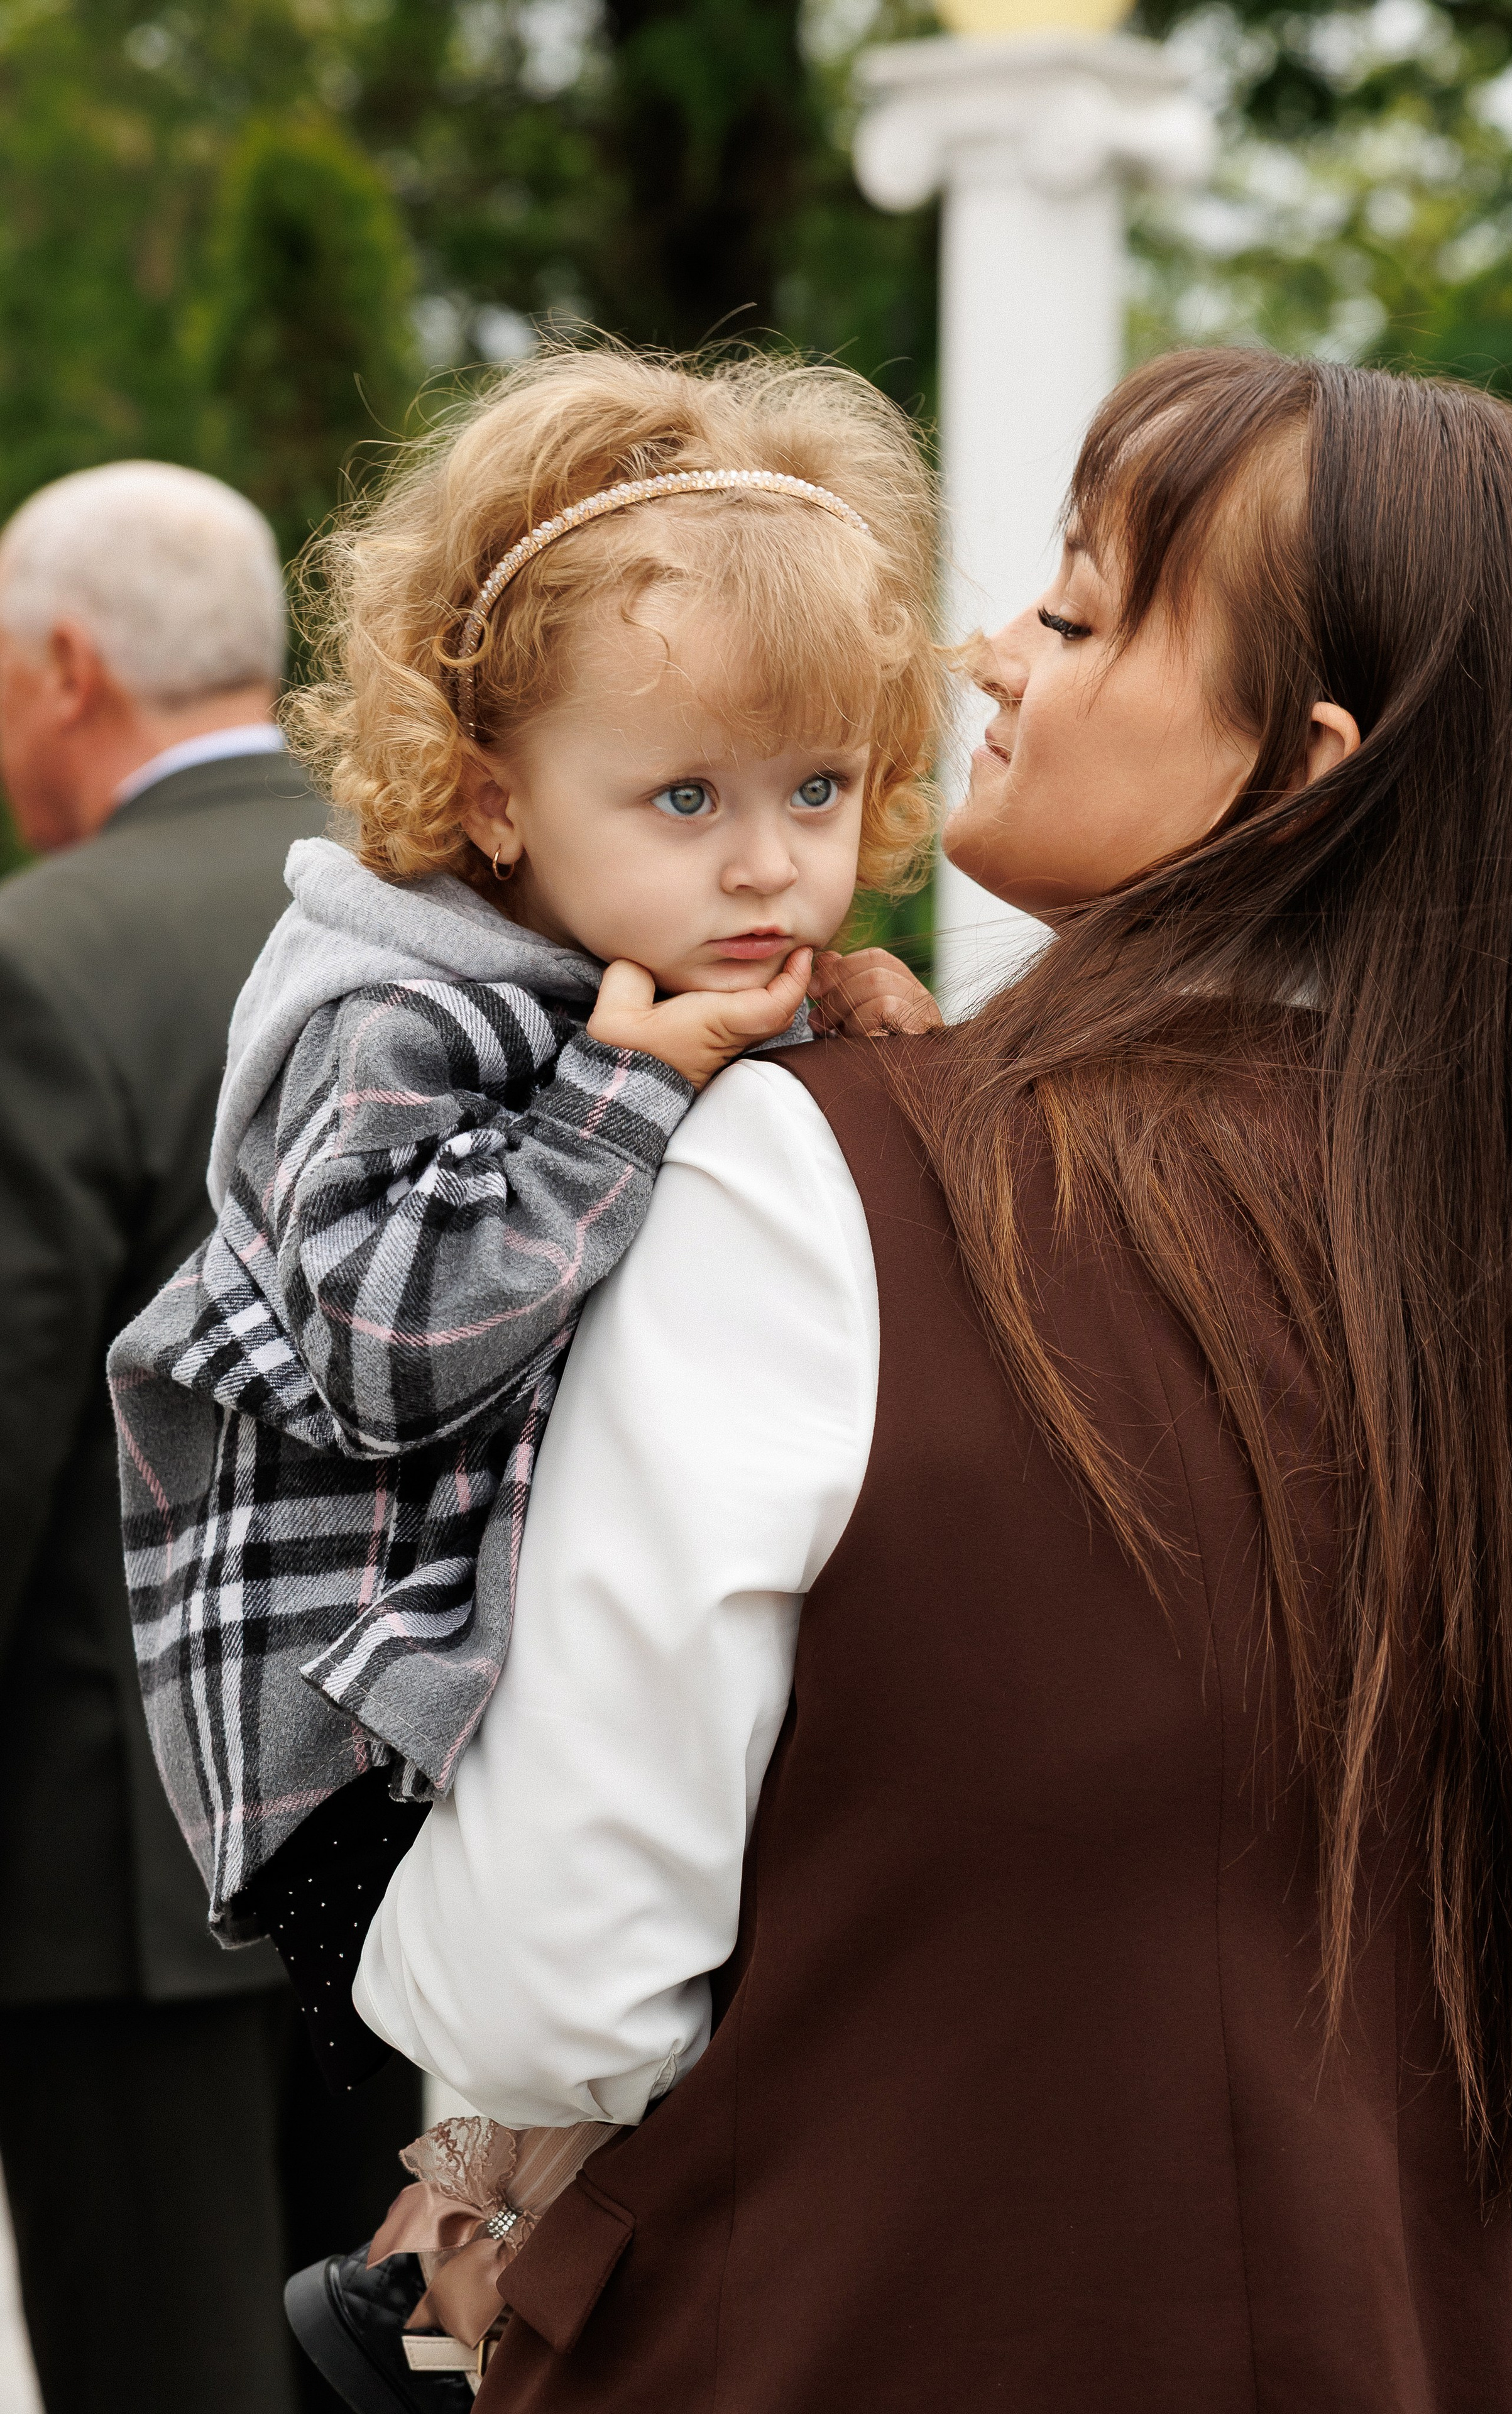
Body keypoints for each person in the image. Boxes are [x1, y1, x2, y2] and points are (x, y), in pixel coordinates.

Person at [354, 348, 1512, 2413]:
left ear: (1297, 771)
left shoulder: (816, 1174)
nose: (987, 652)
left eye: (1089, 610)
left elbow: (555, 1969)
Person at [107, 353, 941, 2405]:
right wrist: (626, 1094)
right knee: (578, 2019)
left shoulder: (634, 946)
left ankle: (429, 2271)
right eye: (687, 800)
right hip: (339, 1703)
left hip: (461, 1648)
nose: (767, 870)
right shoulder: (380, 1002)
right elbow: (396, 1354)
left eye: (814, 794)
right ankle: (435, 2284)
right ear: (490, 794)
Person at [0, 461, 422, 2414]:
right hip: (422, 1846)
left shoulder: (45, 960)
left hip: (124, 1875)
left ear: (68, 666)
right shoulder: (445, 920)